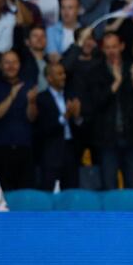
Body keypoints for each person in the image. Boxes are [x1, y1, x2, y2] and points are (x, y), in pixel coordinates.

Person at [91, 33, 133, 190]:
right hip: (107, 139)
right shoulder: (96, 71)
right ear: (102, 49)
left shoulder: (131, 68)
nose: (111, 51)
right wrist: (116, 83)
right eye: (107, 47)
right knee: (110, 188)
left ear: (121, 46)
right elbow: (97, 103)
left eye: (114, 46)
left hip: (131, 137)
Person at [35, 62, 82, 190]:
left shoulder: (71, 95)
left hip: (70, 149)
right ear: (49, 78)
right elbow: (43, 128)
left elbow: (80, 127)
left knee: (72, 191)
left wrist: (77, 117)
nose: (63, 77)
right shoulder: (41, 99)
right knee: (48, 190)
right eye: (59, 74)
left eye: (64, 73)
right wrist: (65, 116)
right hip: (51, 152)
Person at [0, 51, 37, 190]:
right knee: (3, 192)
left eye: (14, 62)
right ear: (0, 65)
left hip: (24, 146)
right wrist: (12, 96)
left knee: (25, 192)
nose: (11, 66)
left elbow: (33, 117)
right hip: (1, 148)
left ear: (19, 65)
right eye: (7, 62)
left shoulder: (28, 85)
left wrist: (31, 102)